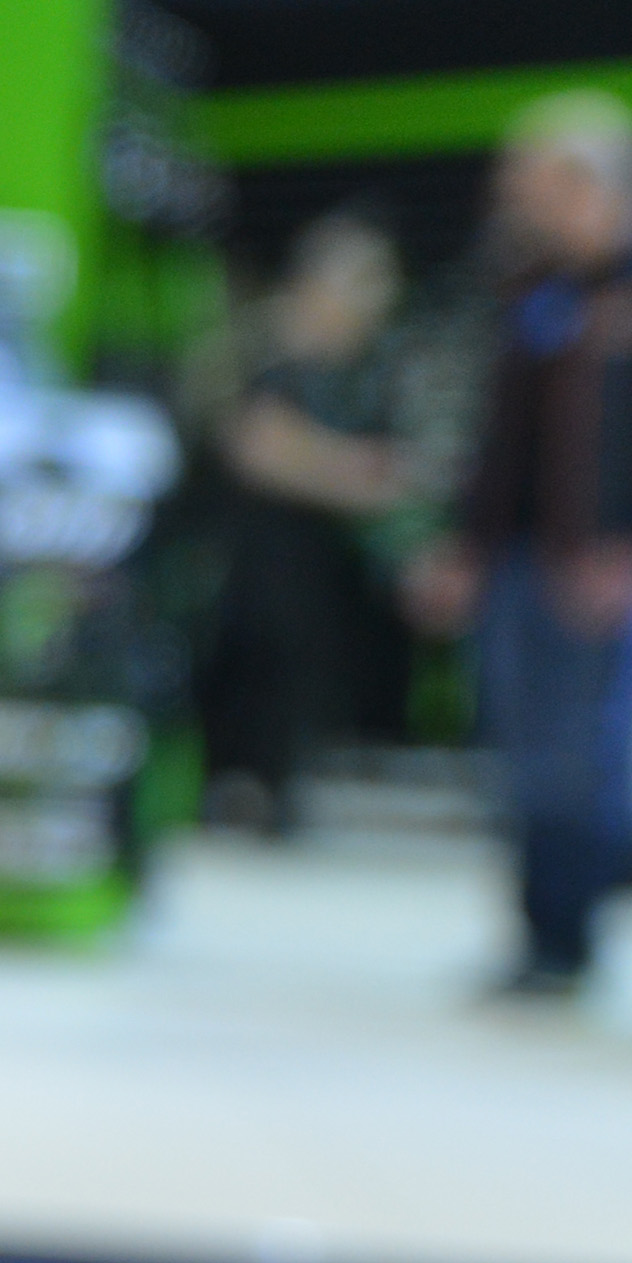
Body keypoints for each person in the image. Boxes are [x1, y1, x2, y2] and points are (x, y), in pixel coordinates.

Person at [413, 93, 632, 996]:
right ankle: (533, 935)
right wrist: (464, 546)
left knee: (589, 758)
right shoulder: (532, 292)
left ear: (590, 183)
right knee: (521, 753)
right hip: (518, 565)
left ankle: (573, 938)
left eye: (533, 185)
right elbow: (498, 440)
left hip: (607, 568)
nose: (518, 204)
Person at [192, 209, 418, 828]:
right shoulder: (269, 352)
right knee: (259, 674)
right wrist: (356, 475)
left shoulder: (354, 372)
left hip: (317, 567)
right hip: (256, 563)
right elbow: (257, 449)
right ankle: (242, 787)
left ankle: (274, 789)